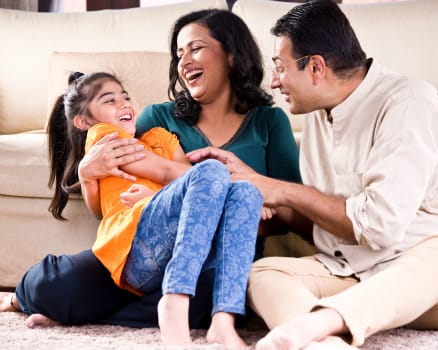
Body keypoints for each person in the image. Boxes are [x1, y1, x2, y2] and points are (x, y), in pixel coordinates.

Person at [186, 1, 438, 349]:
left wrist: (283, 190)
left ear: (316, 67)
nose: (274, 82)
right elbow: (325, 225)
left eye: (280, 68)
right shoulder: (320, 117)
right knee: (264, 273)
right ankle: (324, 345)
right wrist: (260, 192)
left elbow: (379, 226)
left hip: (433, 285)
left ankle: (319, 323)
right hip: (355, 274)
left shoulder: (411, 102)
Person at [0, 8, 301, 337]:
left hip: (217, 257)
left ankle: (96, 316)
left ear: (231, 54)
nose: (183, 60)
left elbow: (290, 213)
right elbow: (118, 188)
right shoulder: (159, 119)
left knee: (215, 295)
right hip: (149, 242)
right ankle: (45, 300)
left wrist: (182, 191)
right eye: (179, 53)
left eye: (195, 48)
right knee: (57, 285)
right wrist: (86, 174)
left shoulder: (270, 122)